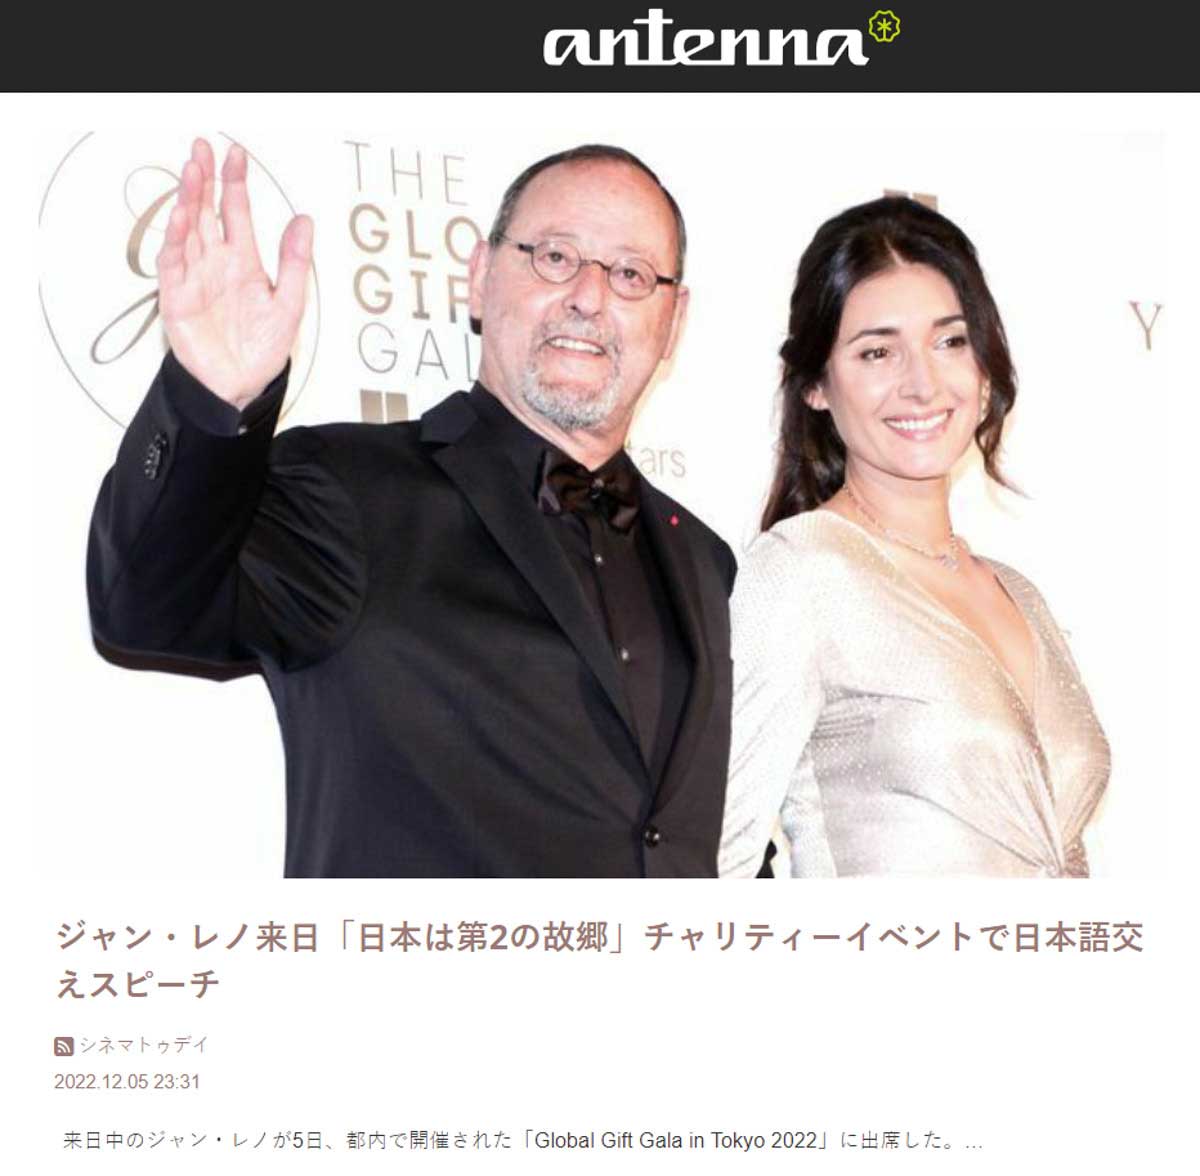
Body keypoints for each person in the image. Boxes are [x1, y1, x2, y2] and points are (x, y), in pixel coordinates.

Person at [88, 138, 737, 878]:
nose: (589, 297)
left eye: (630, 273)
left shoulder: (704, 560)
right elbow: (141, 607)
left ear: (672, 320)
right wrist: (211, 397)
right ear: (479, 278)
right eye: (555, 257)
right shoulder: (345, 489)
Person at [719, 197, 1109, 878]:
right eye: (877, 352)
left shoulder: (1021, 594)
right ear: (815, 386)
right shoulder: (801, 571)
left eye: (950, 341)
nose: (922, 384)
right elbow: (714, 856)